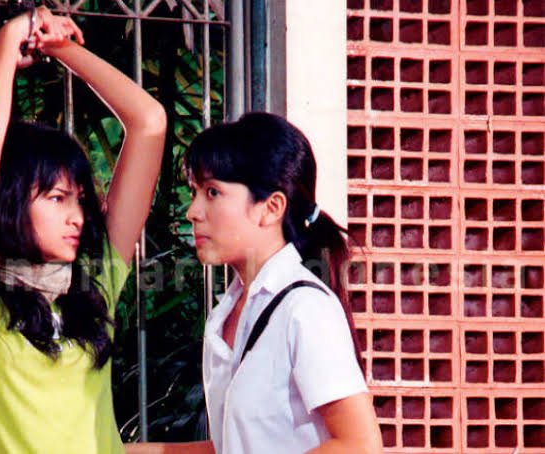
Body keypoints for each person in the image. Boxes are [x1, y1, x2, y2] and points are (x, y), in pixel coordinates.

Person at [0, 6, 166, 454]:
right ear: (10, 200)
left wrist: (60, 48)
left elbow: (149, 123)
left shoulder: (96, 286)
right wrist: (12, 37)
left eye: (80, 200)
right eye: (56, 198)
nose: (77, 217)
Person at [127, 113, 381, 454]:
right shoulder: (228, 312)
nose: (193, 211)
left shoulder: (304, 308)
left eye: (212, 192)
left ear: (271, 208)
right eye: (194, 192)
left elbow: (360, 445)